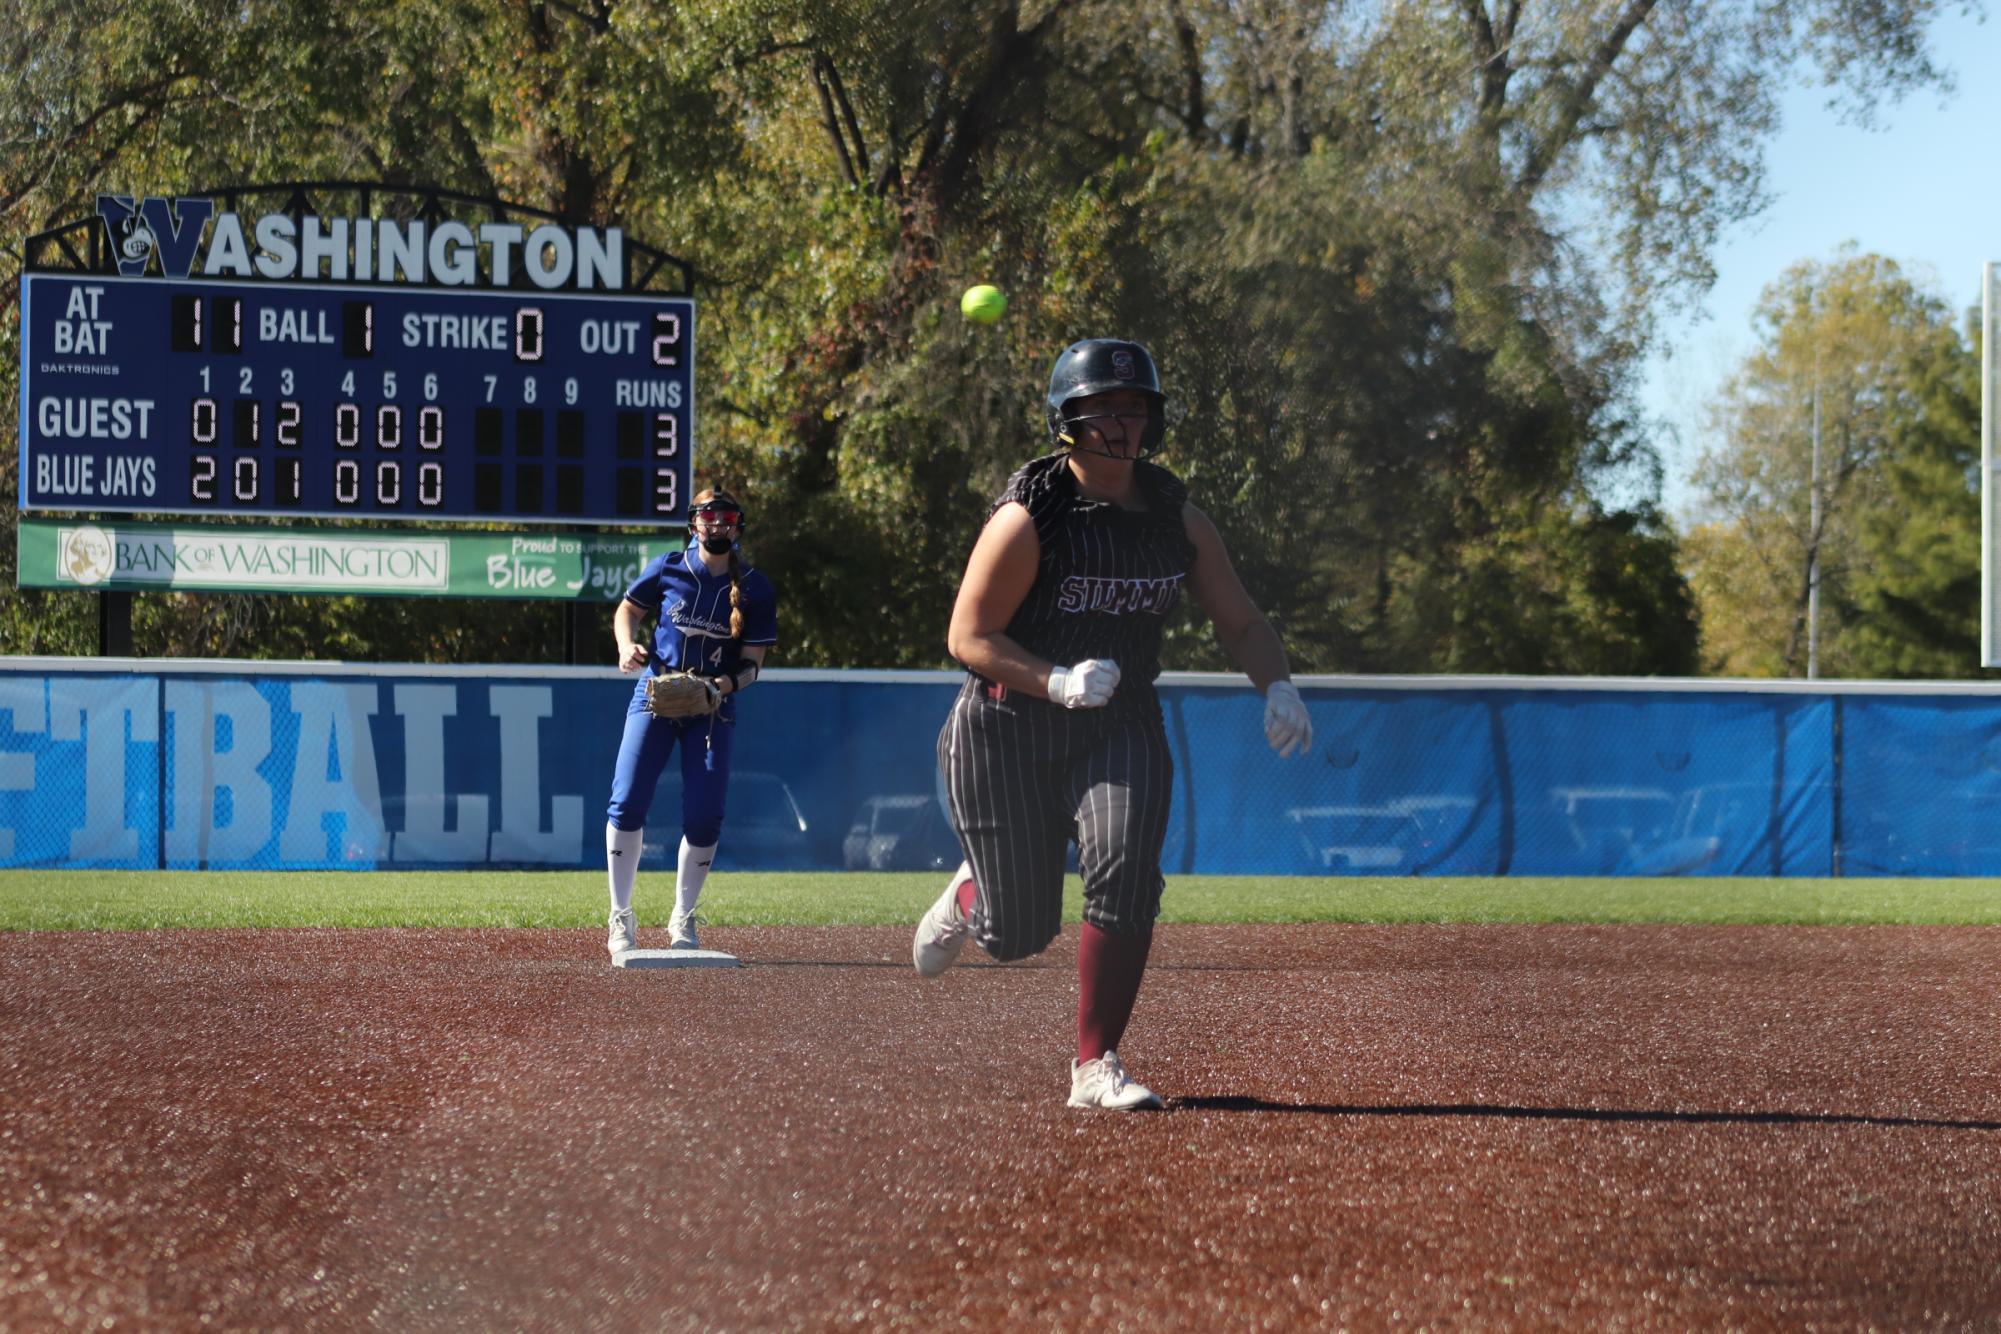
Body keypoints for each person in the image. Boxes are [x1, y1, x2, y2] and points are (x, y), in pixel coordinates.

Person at [912, 338, 1313, 1110]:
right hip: (1005, 729)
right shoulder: (1030, 517)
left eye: (1135, 407)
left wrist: (1279, 685)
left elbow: (1240, 621)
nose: (1122, 422)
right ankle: (971, 898)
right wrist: (1054, 680)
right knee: (1015, 935)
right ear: (1067, 419)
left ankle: (1094, 1065)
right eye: (1104, 407)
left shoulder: (1176, 518)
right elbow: (968, 636)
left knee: (1127, 870)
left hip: (1117, 723)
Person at [604, 488, 778, 958]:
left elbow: (753, 664)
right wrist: (626, 646)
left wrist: (718, 688)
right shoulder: (667, 567)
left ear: (738, 526)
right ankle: (621, 915)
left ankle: (683, 915)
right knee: (628, 799)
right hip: (657, 692)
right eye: (709, 517)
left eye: (726, 518)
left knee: (705, 816)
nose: (717, 526)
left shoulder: (755, 586)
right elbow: (628, 610)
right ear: (693, 524)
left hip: (712, 703)